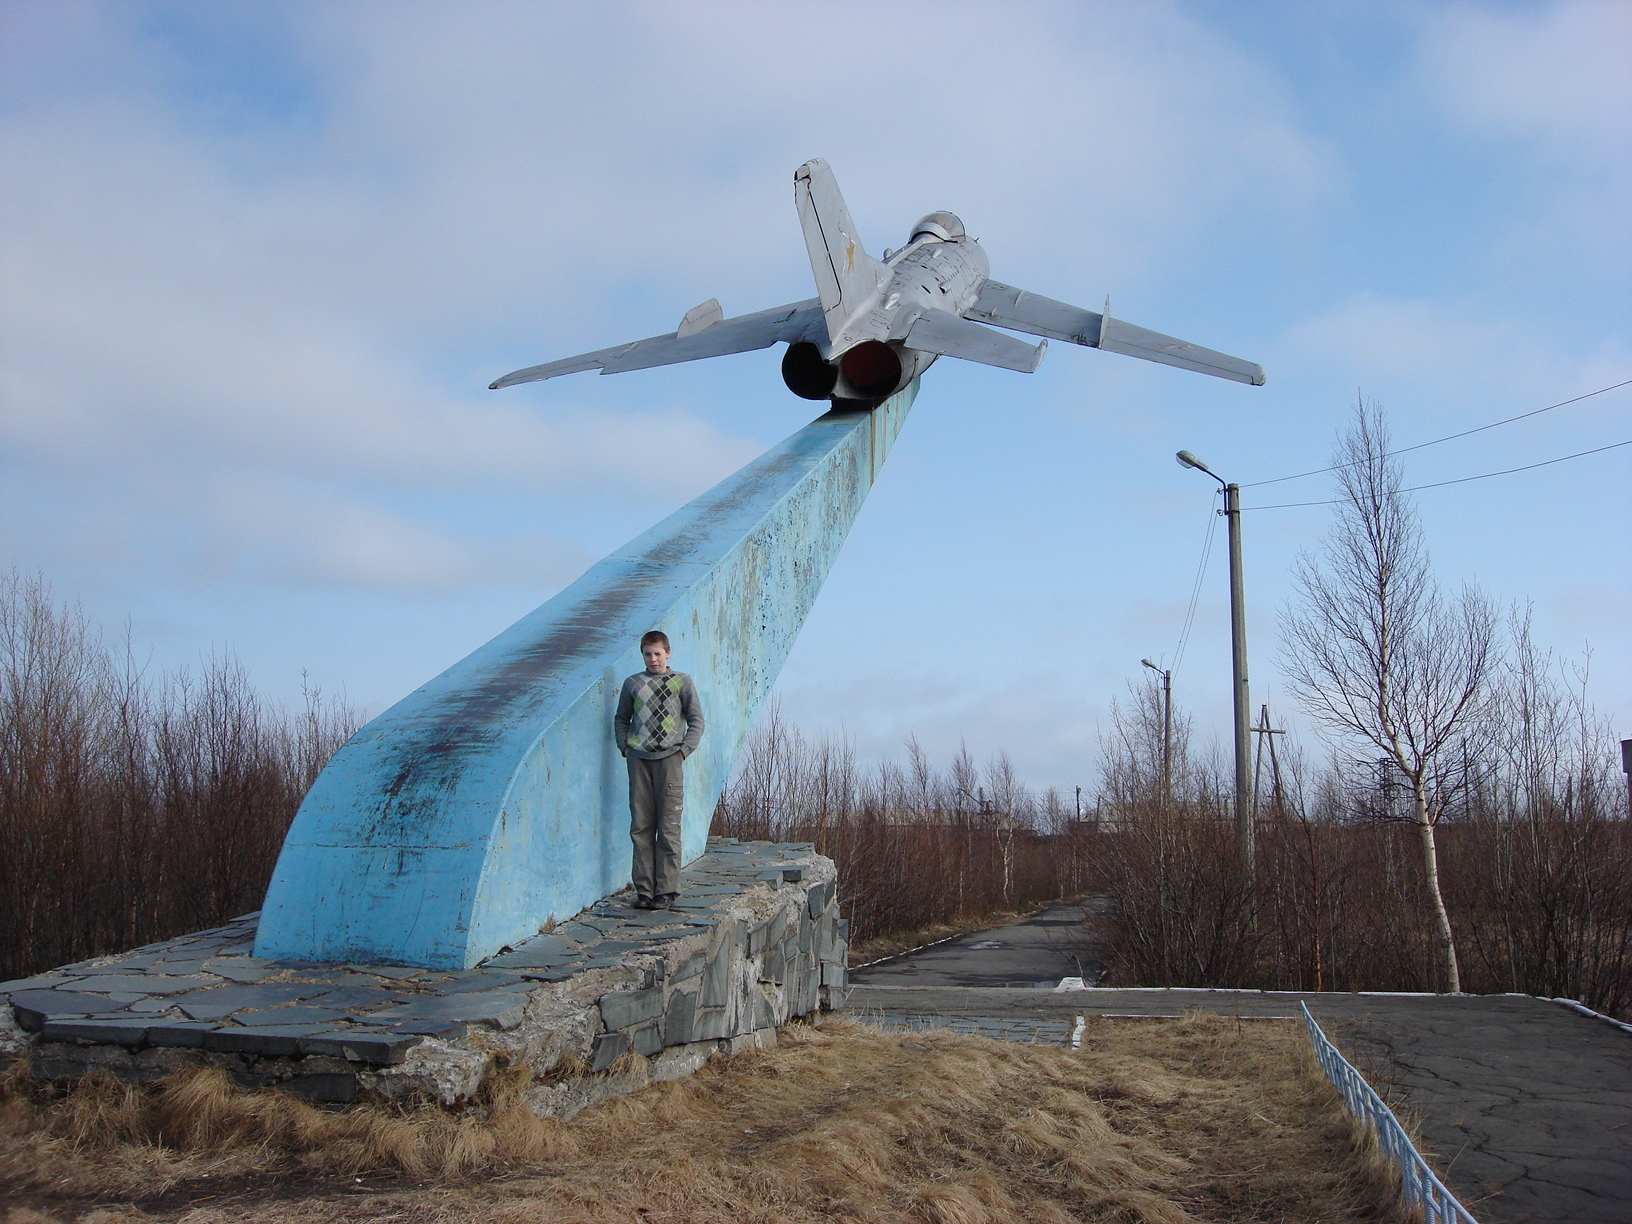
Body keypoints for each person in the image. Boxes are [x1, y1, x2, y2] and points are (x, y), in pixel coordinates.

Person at [614, 630, 704, 910]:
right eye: (647, 654)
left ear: (668, 653)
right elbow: (621, 719)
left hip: (670, 761)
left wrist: (683, 751)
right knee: (641, 826)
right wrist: (625, 748)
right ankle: (644, 890)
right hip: (638, 760)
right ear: (642, 655)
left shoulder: (682, 682)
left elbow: (696, 720)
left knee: (668, 827)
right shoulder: (632, 683)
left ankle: (665, 890)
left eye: (657, 653)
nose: (653, 659)